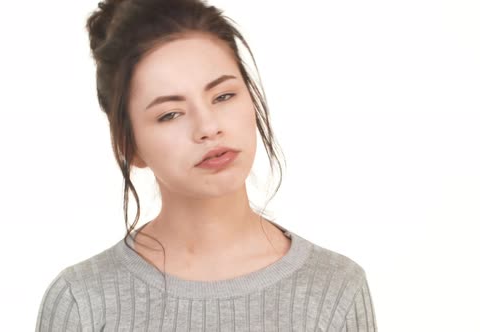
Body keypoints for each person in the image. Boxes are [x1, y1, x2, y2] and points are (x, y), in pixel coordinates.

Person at [36, 0, 377, 330]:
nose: (208, 127)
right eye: (170, 114)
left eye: (224, 96)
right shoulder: (82, 301)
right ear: (129, 145)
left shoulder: (335, 290)